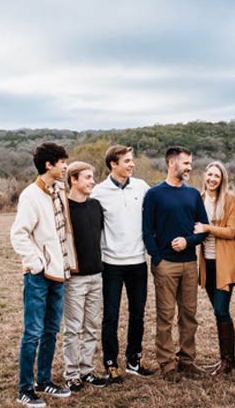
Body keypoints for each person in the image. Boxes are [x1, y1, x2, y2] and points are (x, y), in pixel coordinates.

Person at [10, 142, 76, 407]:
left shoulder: (58, 190)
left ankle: (44, 380)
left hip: (59, 274)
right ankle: (25, 389)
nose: (65, 166)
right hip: (38, 275)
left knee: (51, 330)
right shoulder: (30, 195)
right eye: (62, 162)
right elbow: (18, 234)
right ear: (49, 164)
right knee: (33, 332)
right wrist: (37, 263)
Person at [142, 146, 209, 379]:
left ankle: (187, 361)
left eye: (191, 163)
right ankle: (167, 364)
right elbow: (147, 230)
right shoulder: (154, 194)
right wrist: (157, 258)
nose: (190, 167)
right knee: (165, 316)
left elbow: (203, 229)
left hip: (190, 263)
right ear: (172, 163)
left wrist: (189, 241)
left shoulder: (192, 194)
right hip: (165, 265)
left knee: (189, 315)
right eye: (186, 163)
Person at [90, 145, 154, 384]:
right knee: (111, 316)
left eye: (131, 160)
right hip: (111, 264)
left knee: (138, 314)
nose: (131, 164)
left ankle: (134, 360)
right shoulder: (99, 192)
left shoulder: (142, 187)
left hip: (138, 261)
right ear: (113, 165)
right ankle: (110, 364)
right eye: (126, 161)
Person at [61, 162, 108, 392]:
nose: (92, 181)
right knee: (73, 328)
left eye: (93, 177)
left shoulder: (96, 206)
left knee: (91, 326)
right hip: (75, 279)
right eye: (87, 178)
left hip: (96, 275)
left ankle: (86, 370)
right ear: (73, 180)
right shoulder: (63, 208)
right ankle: (71, 374)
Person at [193, 161, 235, 375]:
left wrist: (206, 228)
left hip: (224, 263)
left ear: (222, 180)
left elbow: (230, 231)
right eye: (209, 174)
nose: (212, 179)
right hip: (207, 263)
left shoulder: (229, 199)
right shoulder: (199, 199)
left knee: (222, 310)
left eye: (217, 176)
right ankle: (226, 360)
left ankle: (228, 361)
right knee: (217, 311)